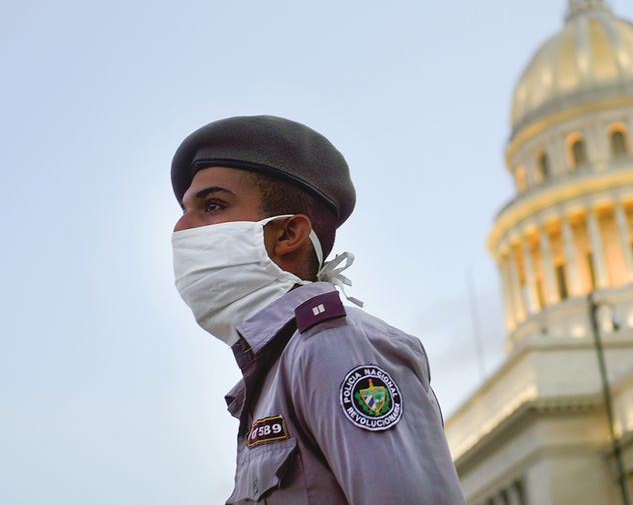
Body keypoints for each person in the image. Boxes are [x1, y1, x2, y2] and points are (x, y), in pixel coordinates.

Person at [170, 115, 466, 504]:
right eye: (185, 209)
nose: (181, 228)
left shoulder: (331, 347)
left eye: (212, 205)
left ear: (288, 234)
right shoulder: (274, 371)